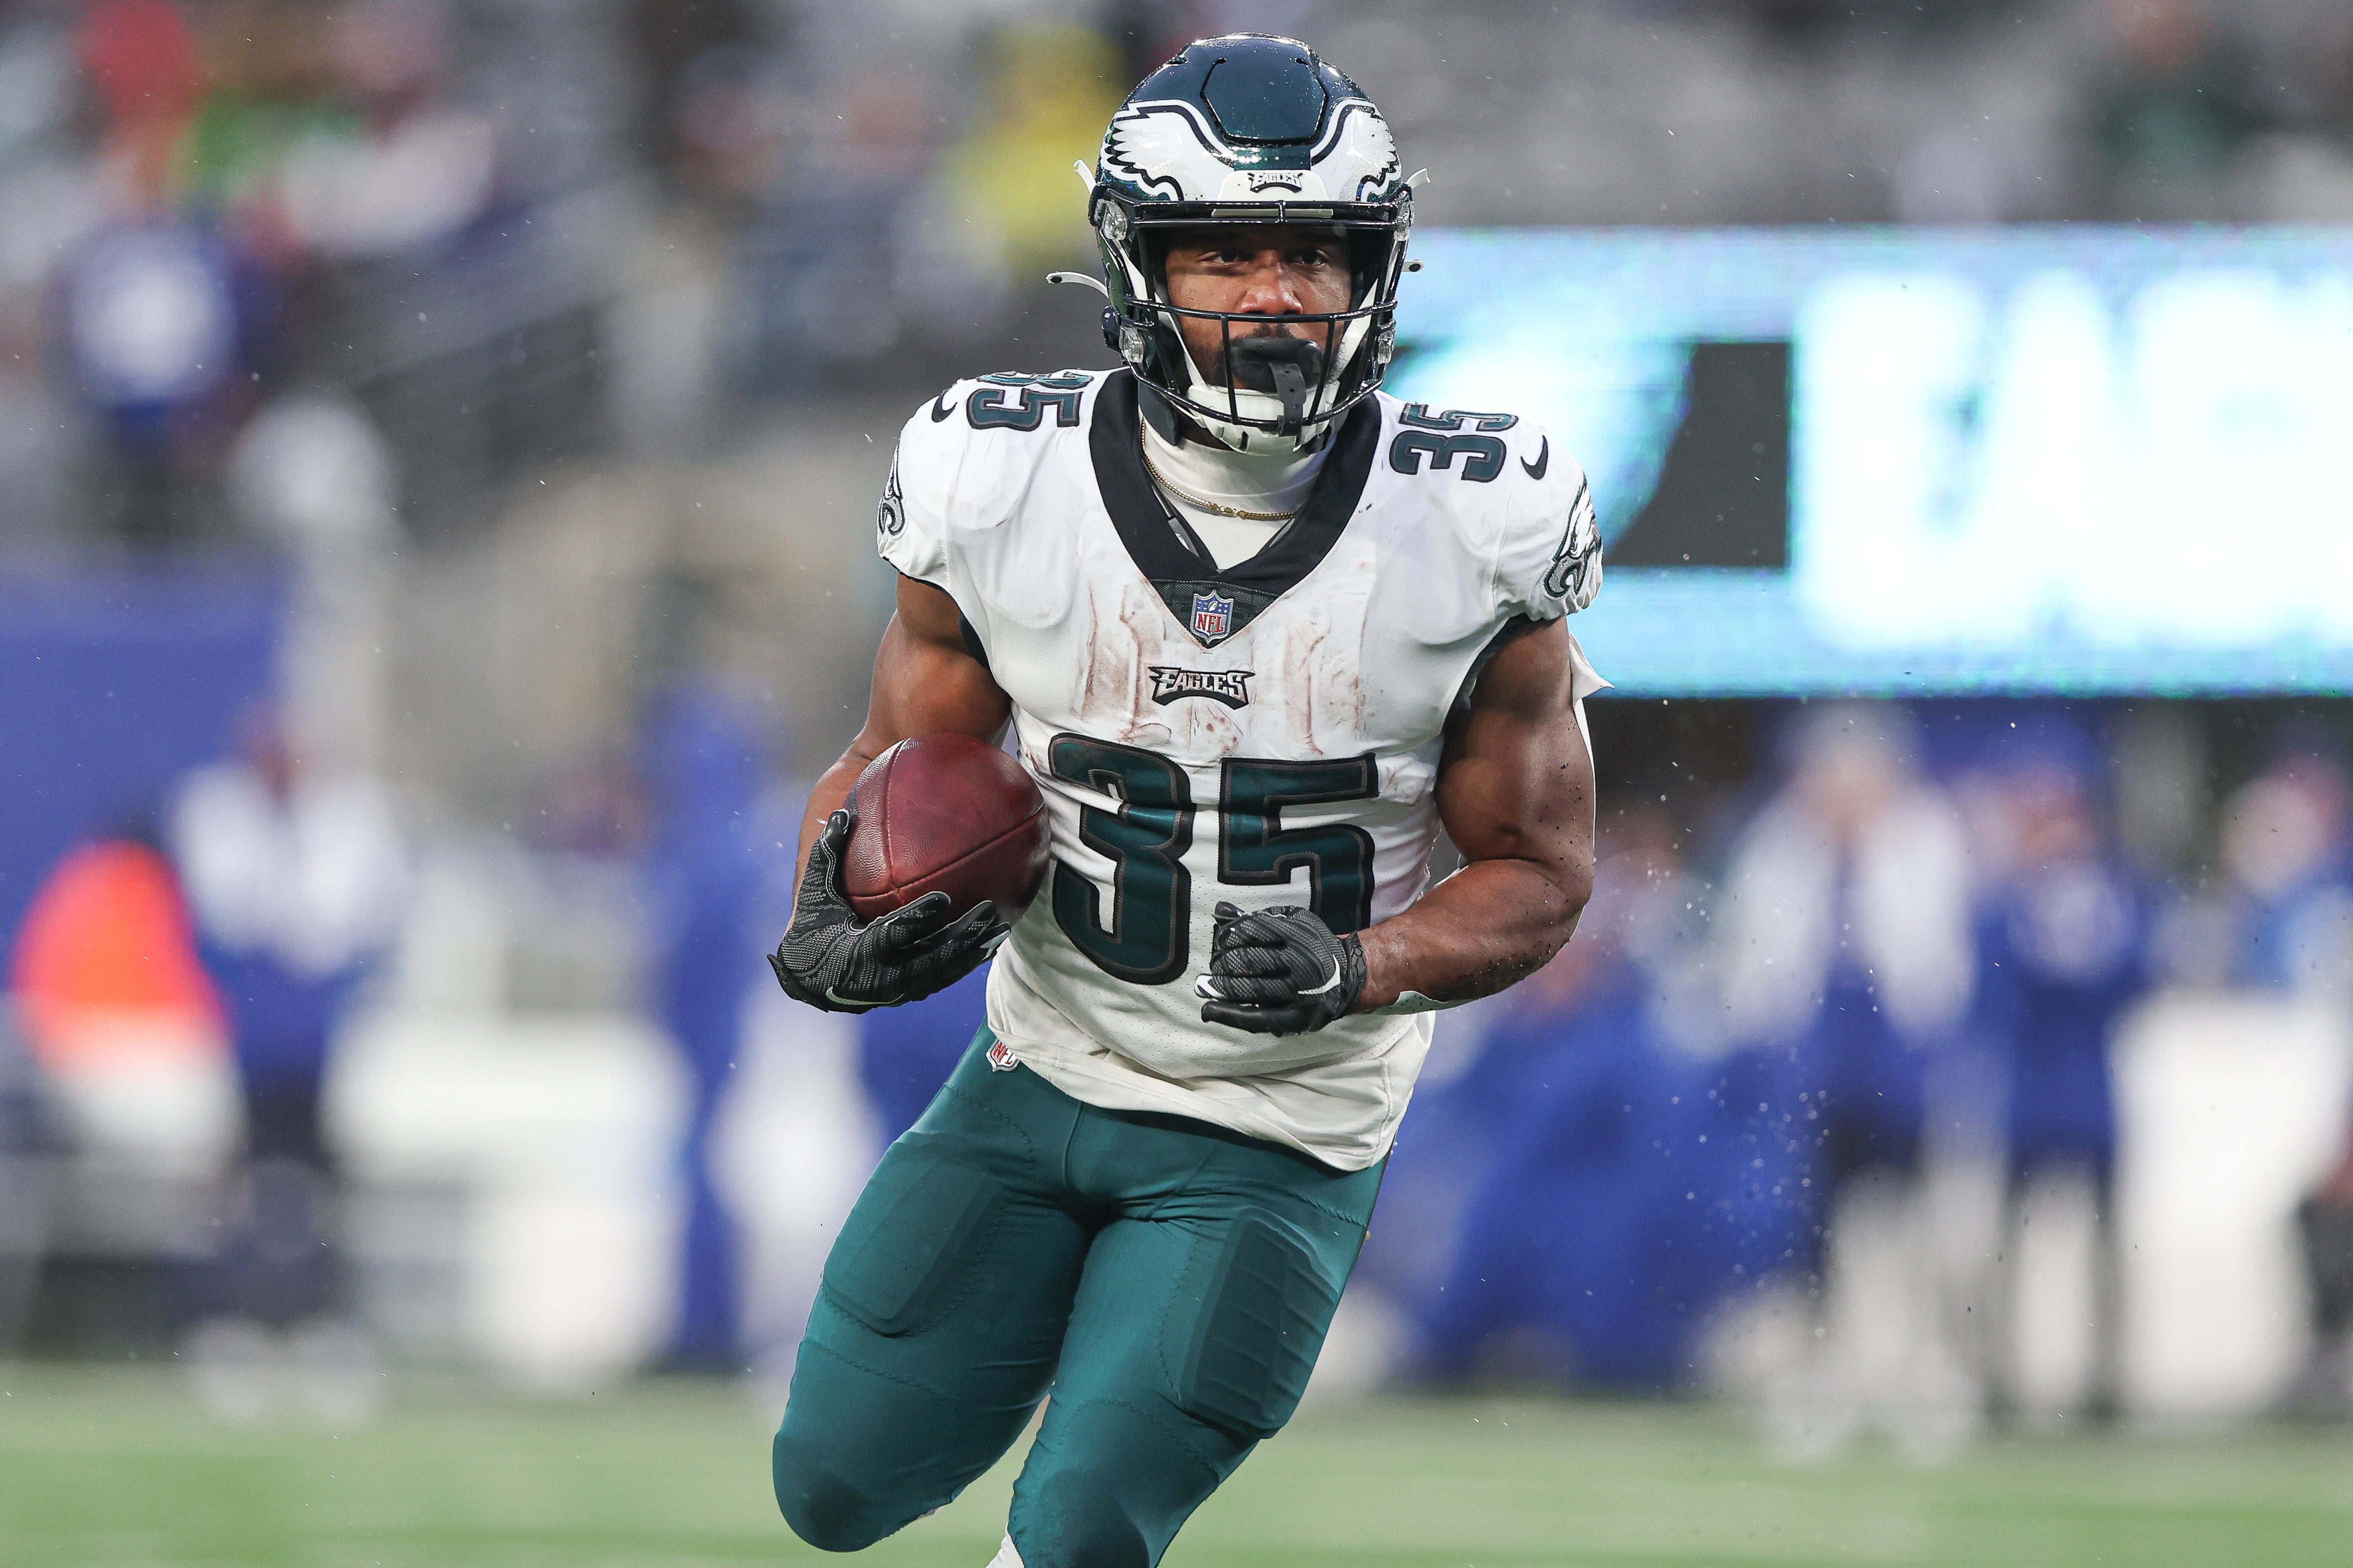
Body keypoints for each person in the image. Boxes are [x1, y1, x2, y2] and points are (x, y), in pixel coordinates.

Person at [761, 36, 1604, 1568]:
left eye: (1313, 254)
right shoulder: (995, 478)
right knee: (829, 1486)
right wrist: (835, 891)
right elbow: (893, 762)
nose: (1276, 294)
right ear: (1139, 266)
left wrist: (1369, 966)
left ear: (1378, 273)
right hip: (1038, 1068)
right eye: (1224, 253)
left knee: (1080, 1525)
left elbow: (1542, 870)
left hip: (1276, 1125)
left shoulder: (1475, 518)